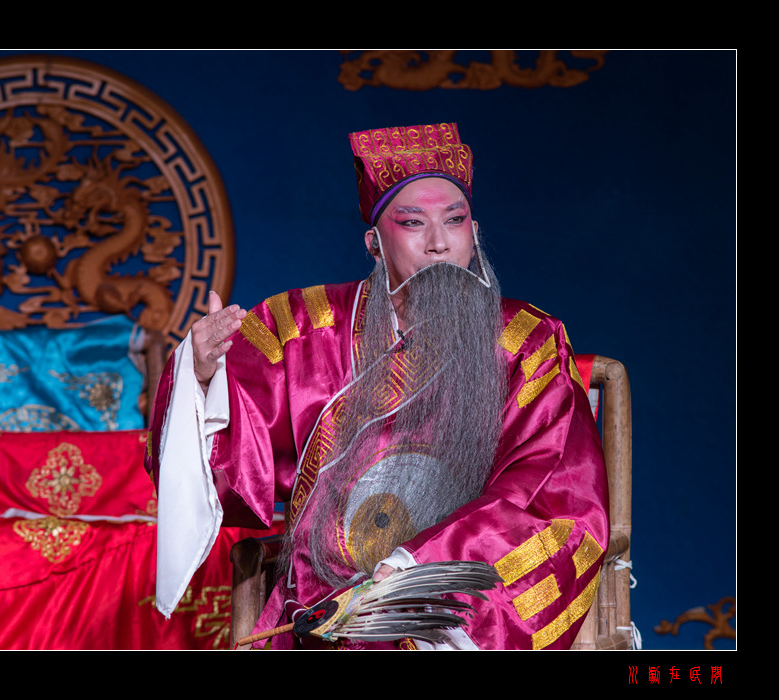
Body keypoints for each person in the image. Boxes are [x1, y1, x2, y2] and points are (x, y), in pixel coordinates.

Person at [145, 122, 609, 650]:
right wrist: (201, 375)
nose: (439, 243)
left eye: (454, 221)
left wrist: (418, 567)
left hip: (450, 598)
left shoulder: (527, 343)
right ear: (374, 242)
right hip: (324, 607)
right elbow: (227, 469)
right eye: (412, 223)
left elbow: (552, 493)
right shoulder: (299, 329)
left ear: (474, 232)